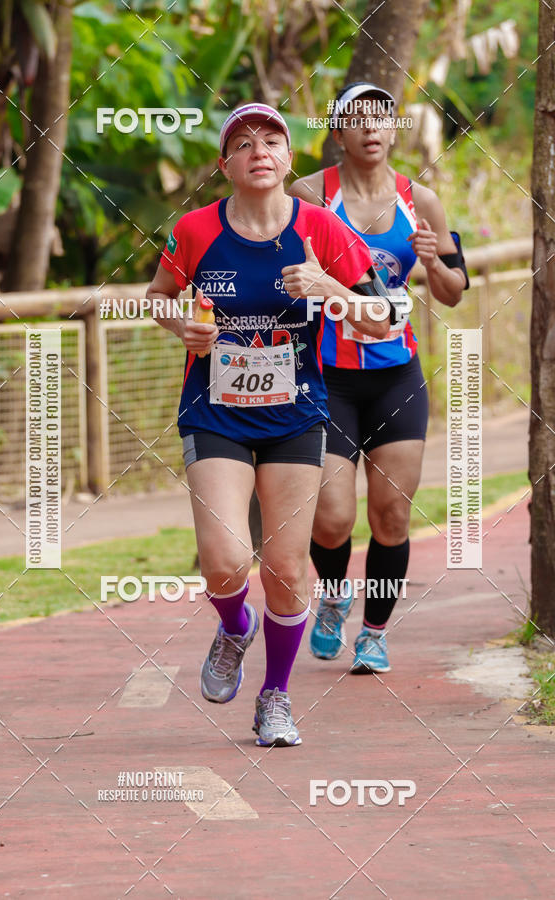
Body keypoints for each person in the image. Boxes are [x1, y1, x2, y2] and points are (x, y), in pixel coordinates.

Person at [146, 102, 391, 745]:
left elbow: (385, 320)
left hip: (296, 417)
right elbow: (157, 300)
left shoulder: (322, 228)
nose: (259, 150)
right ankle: (234, 627)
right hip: (216, 414)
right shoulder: (195, 230)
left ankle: (275, 697)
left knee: (286, 569)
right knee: (225, 561)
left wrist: (327, 288)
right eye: (244, 143)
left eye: (272, 140)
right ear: (225, 164)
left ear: (288, 159)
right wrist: (183, 325)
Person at [290, 82, 468, 672]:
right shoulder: (310, 195)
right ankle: (334, 595)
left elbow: (454, 292)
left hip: (397, 377)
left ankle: (374, 632)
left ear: (394, 130)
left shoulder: (422, 200)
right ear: (338, 132)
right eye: (357, 118)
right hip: (328, 377)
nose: (371, 127)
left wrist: (433, 260)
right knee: (332, 519)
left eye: (381, 118)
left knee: (391, 515)